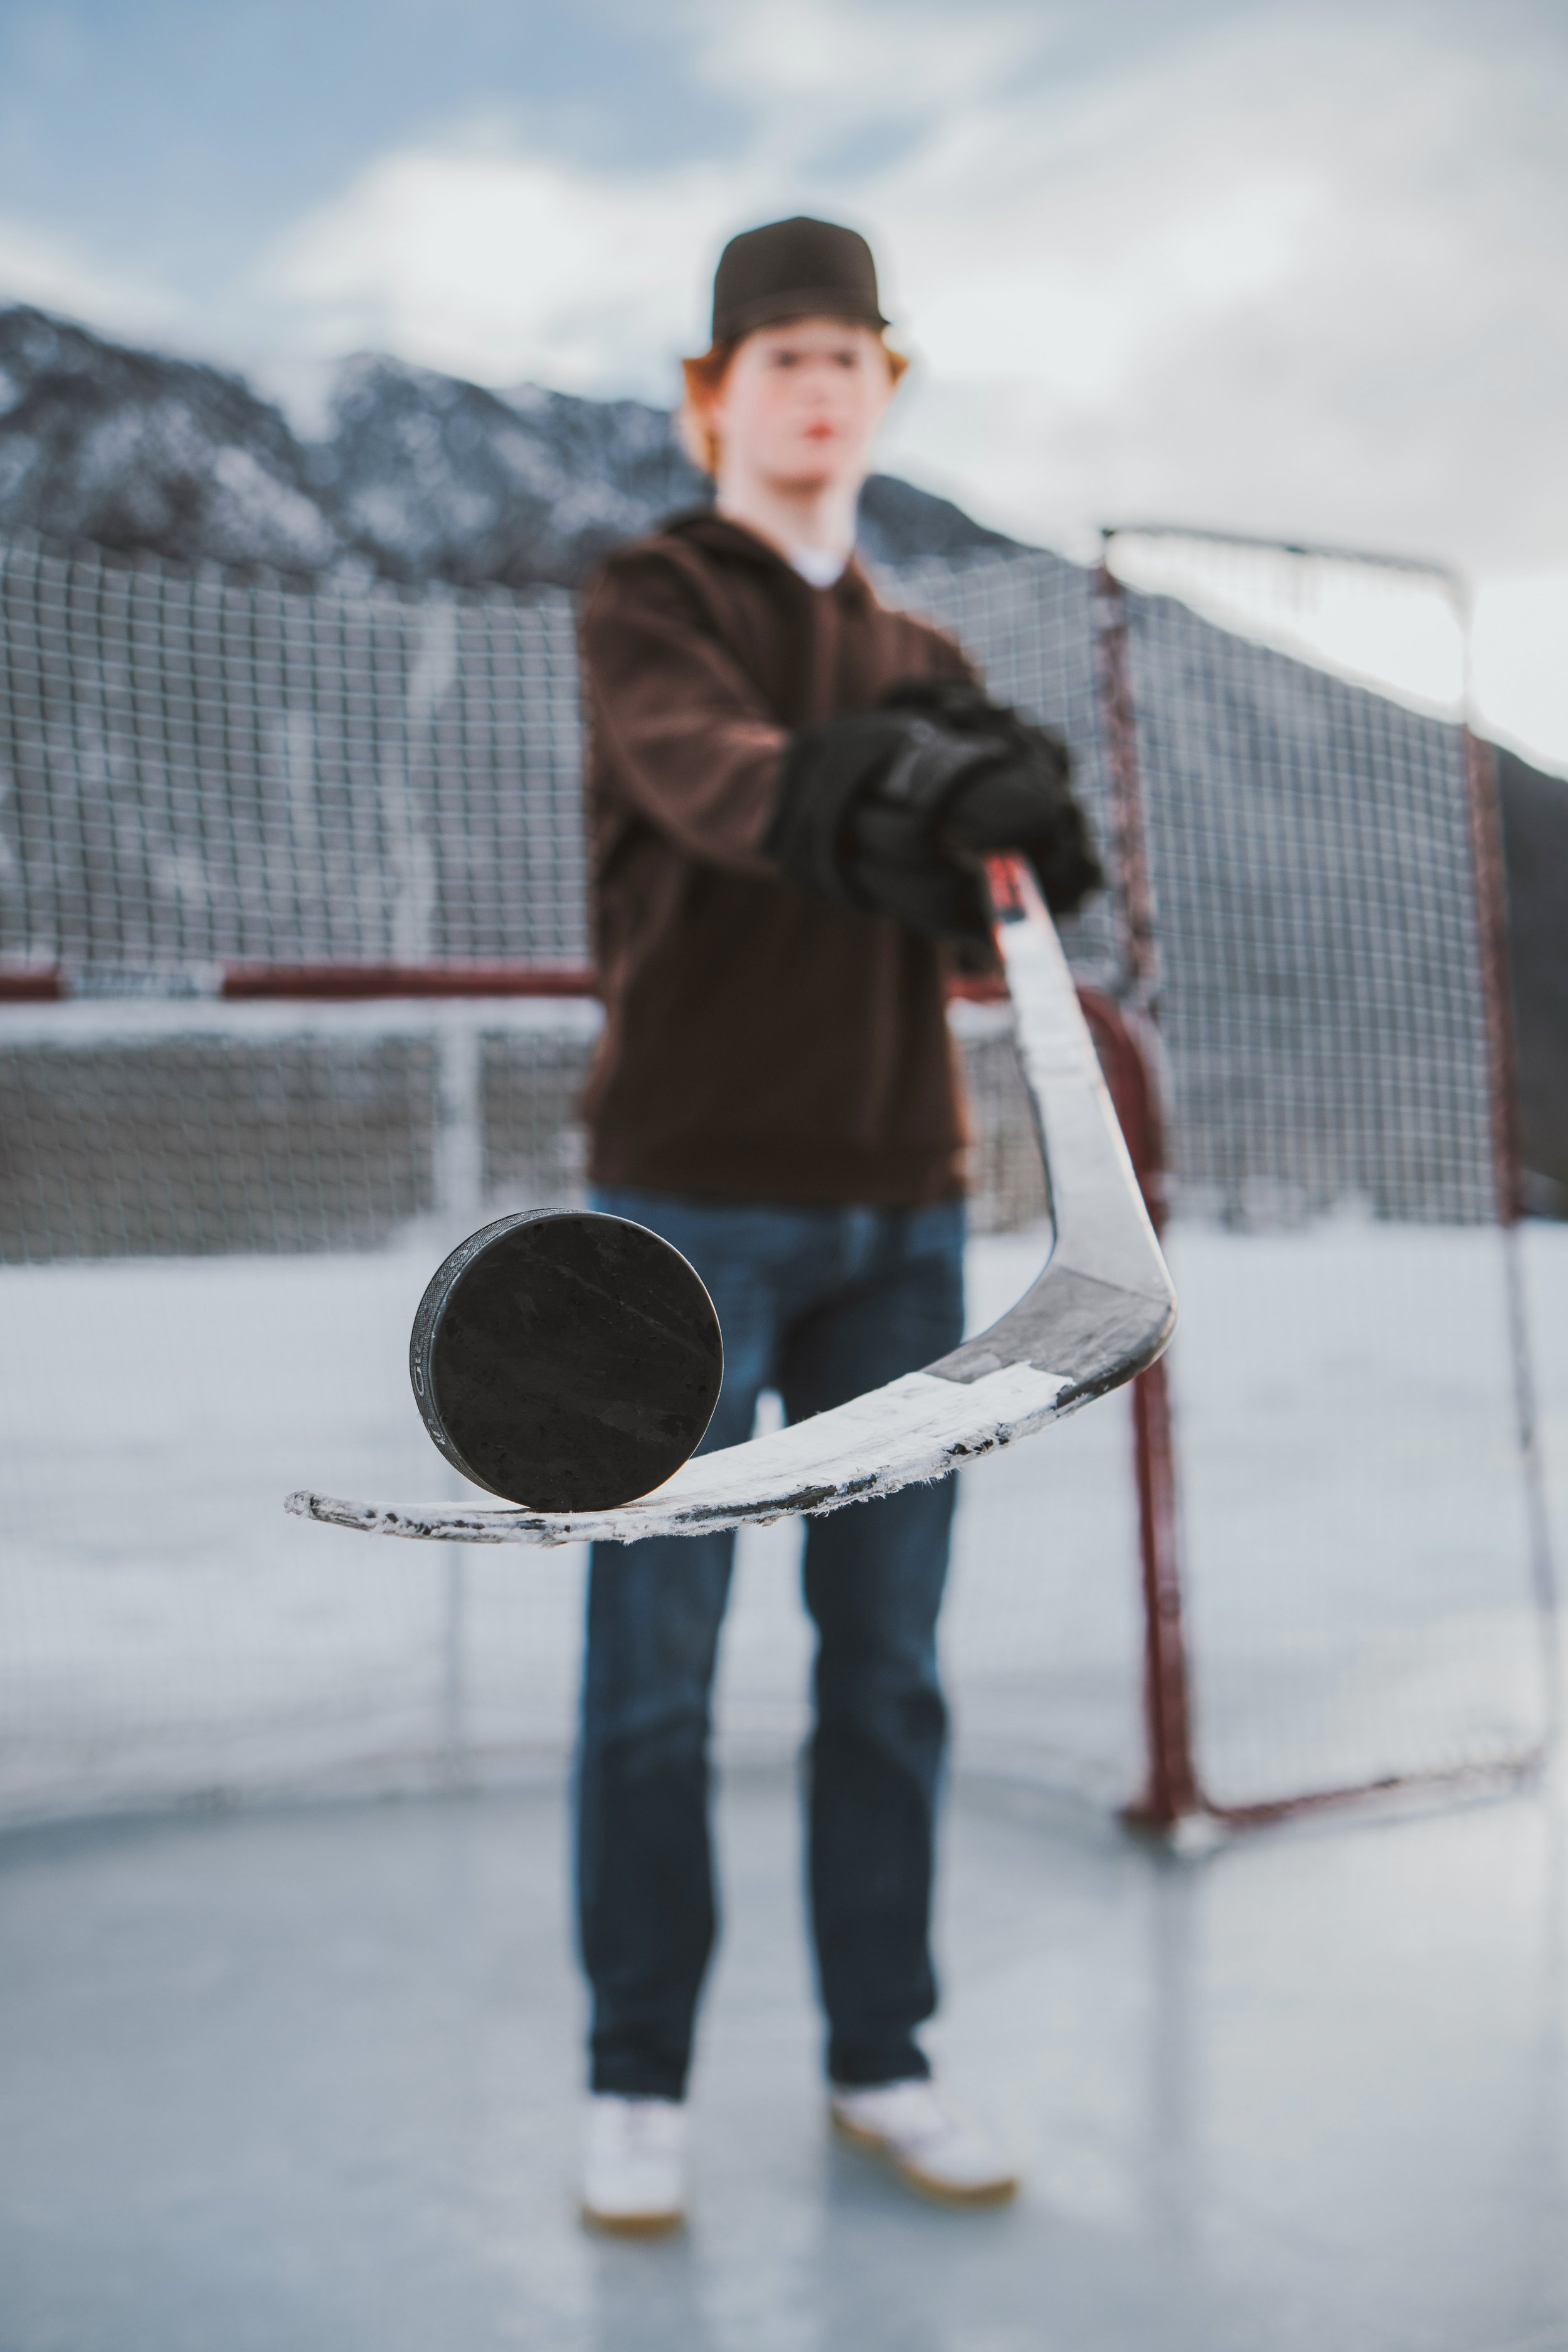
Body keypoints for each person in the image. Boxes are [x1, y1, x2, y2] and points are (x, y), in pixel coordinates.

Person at [573, 215, 1100, 2234]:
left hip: (897, 1216)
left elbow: (1023, 881)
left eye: (845, 354)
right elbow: (716, 782)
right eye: (774, 354)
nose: (813, 385)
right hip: (687, 1206)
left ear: (883, 387)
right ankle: (634, 2082)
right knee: (653, 1671)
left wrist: (1028, 846)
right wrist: (868, 799)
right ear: (713, 393)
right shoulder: (650, 599)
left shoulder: (929, 659)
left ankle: (884, 2053)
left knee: (884, 1672)